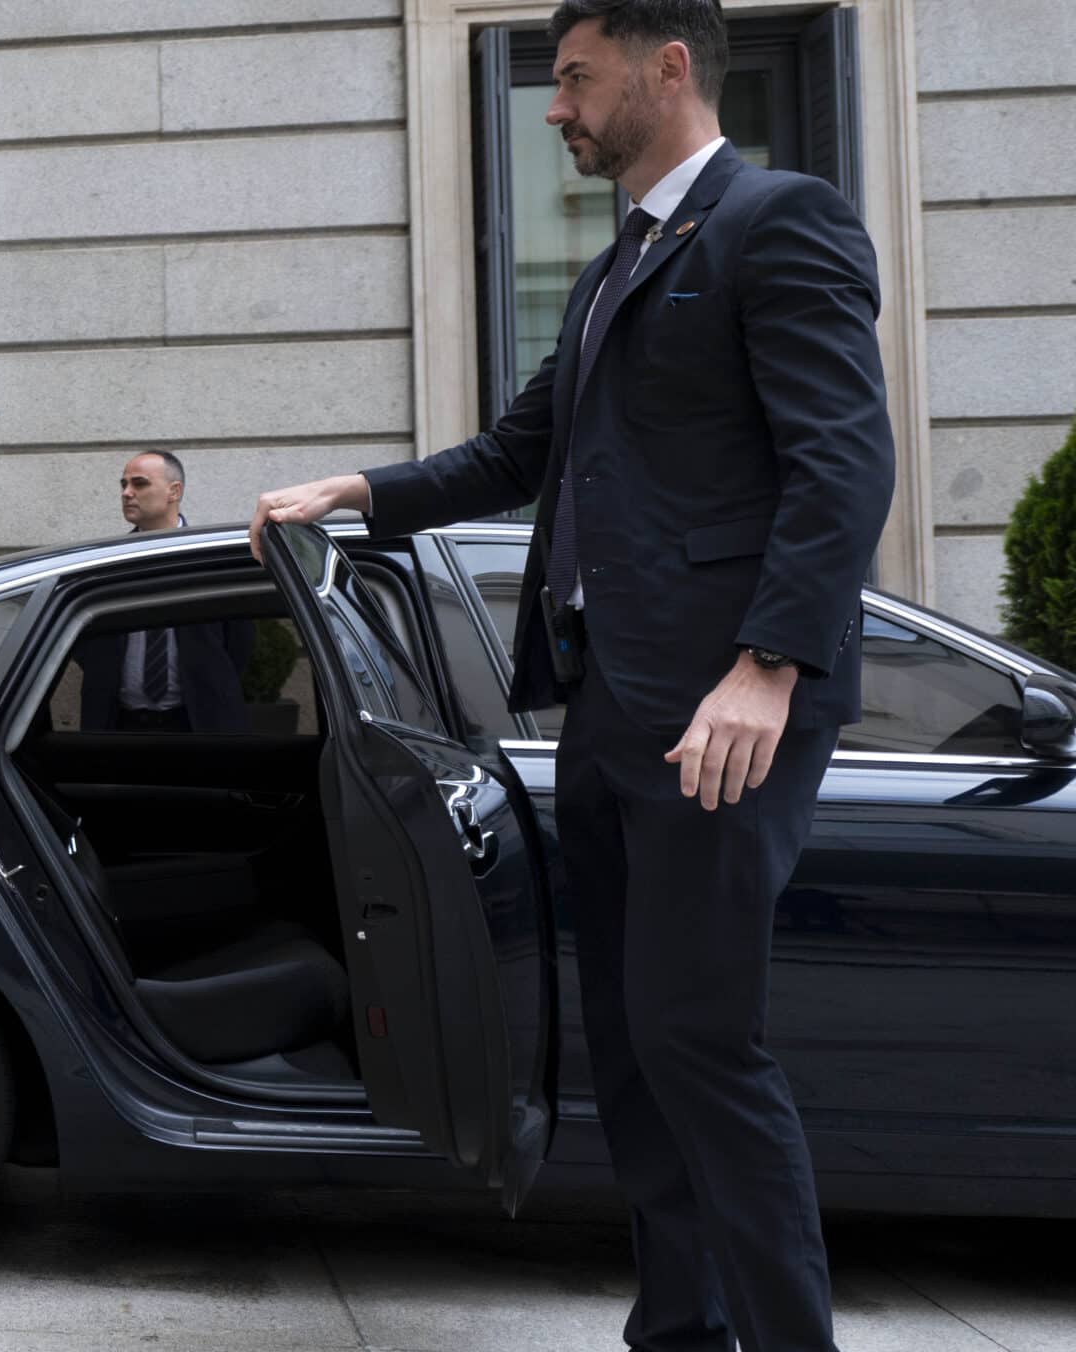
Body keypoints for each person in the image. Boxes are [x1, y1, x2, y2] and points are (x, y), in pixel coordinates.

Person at [248, 3, 891, 1349]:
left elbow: (845, 465)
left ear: (669, 68)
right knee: (639, 1047)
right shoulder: (618, 268)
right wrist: (352, 490)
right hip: (611, 708)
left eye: (578, 79)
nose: (556, 108)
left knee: (704, 1043)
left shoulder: (784, 221)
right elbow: (513, 451)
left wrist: (768, 666)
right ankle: (680, 1331)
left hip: (725, 716)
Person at [80, 451, 252, 733]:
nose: (127, 493)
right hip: (120, 726)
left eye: (139, 483)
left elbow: (239, 642)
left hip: (200, 723)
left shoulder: (211, 559)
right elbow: (88, 643)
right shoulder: (107, 563)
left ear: (174, 491)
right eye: (123, 485)